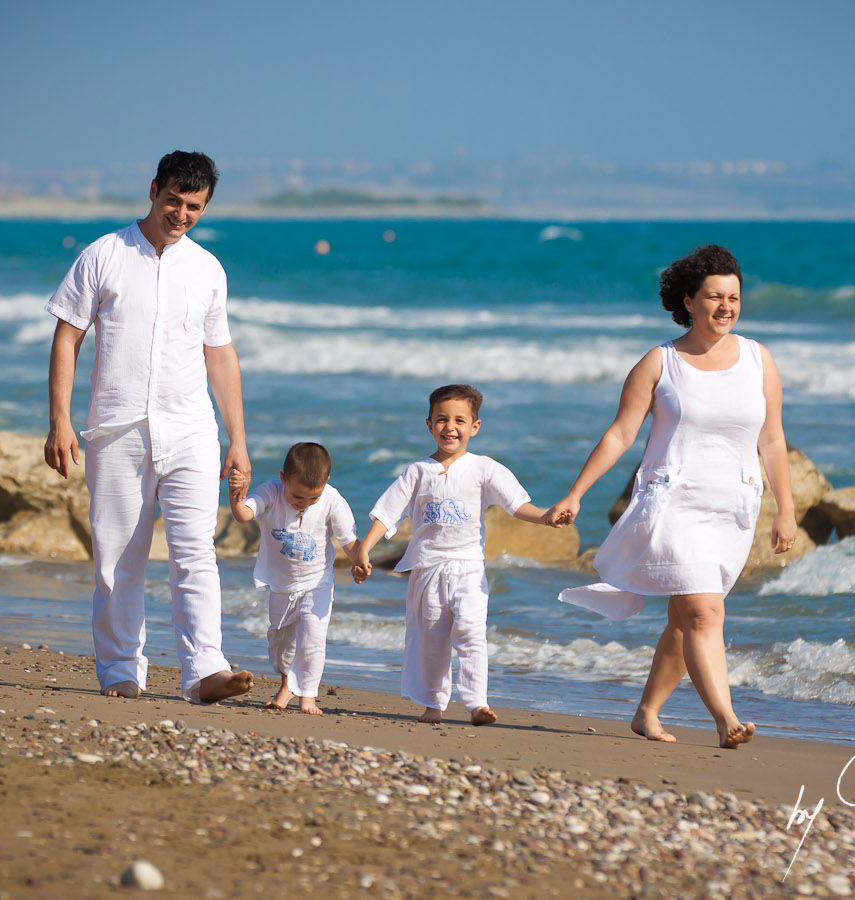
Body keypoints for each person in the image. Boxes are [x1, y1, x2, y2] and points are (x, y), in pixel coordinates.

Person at [545, 245, 796, 748]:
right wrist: (576, 493)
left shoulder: (757, 358)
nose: (725, 307)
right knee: (705, 612)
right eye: (713, 297)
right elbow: (619, 435)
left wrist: (786, 510)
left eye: (734, 297)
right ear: (689, 300)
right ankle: (726, 719)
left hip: (733, 508)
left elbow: (772, 438)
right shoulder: (660, 363)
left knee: (685, 623)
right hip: (673, 505)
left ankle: (646, 713)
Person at [44, 150, 254, 705]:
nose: (182, 215)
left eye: (195, 207)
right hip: (116, 430)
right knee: (118, 558)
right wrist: (59, 421)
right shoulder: (103, 255)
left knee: (195, 552)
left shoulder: (208, 269)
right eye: (174, 202)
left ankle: (205, 669)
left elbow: (220, 354)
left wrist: (237, 438)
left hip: (190, 430)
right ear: (154, 190)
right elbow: (67, 338)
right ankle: (120, 672)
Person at [350, 384, 559, 726]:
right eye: (442, 419)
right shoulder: (417, 471)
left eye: (460, 420)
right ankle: (433, 705)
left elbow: (517, 505)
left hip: (468, 569)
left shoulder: (484, 468)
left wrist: (547, 517)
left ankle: (477, 703)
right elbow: (388, 513)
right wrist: (364, 549)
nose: (451, 427)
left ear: (475, 427)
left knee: (471, 632)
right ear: (429, 424)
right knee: (432, 643)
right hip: (428, 570)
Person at [227, 442, 360, 714]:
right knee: (281, 641)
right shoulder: (271, 493)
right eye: (298, 497)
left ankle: (308, 695)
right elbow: (243, 514)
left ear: (326, 483)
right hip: (281, 585)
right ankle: (287, 685)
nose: (306, 504)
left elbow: (349, 541)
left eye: (314, 498)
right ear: (283, 479)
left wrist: (361, 560)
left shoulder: (332, 500)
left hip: (317, 582)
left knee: (313, 637)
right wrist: (235, 495)